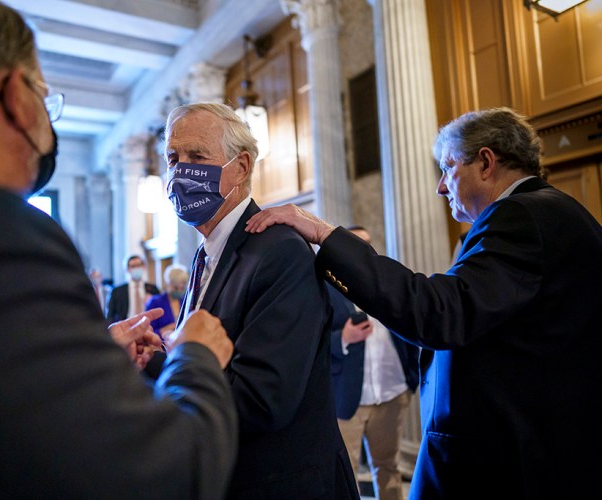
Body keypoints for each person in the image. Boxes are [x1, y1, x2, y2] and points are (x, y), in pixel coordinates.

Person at [0, 1, 238, 497]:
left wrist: (80, 367)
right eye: (44, 95)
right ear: (16, 96)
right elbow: (165, 474)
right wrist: (195, 357)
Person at [245, 107, 602, 499]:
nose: (441, 187)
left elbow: (440, 314)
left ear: (485, 162)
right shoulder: (550, 212)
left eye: (448, 168)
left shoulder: (521, 215)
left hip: (513, 462)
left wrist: (325, 235)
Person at [161, 102, 358, 499]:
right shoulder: (205, 255)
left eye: (197, 156)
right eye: (172, 157)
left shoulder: (277, 251)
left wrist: (182, 366)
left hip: (280, 485)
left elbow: (263, 399)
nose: (180, 170)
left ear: (242, 166)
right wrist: (155, 362)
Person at [329, 225, 420, 500]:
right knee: (344, 474)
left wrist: (409, 382)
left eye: (366, 244)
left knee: (389, 468)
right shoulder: (326, 287)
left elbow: (412, 326)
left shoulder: (389, 284)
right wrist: (341, 337)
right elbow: (308, 337)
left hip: (391, 394)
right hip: (348, 399)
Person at [106, 254, 160, 322]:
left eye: (139, 265)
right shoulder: (117, 291)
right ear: (127, 269)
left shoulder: (153, 289)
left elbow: (160, 310)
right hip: (126, 327)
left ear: (143, 266)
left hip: (148, 325)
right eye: (133, 266)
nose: (136, 268)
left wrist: (152, 301)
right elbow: (110, 316)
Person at [145, 263, 189, 338]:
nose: (178, 291)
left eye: (182, 288)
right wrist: (167, 329)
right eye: (175, 288)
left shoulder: (186, 302)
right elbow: (148, 332)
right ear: (167, 283)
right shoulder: (155, 302)